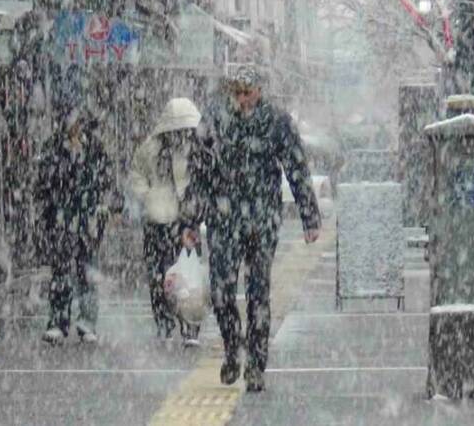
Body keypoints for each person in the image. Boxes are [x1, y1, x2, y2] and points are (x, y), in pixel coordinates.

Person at [199, 65, 321, 392]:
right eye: (236, 93)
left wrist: (309, 216)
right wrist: (187, 220)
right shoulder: (214, 120)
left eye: (247, 93)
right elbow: (199, 170)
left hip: (261, 219)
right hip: (223, 218)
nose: (242, 100)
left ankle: (256, 364)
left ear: (259, 91)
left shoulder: (277, 122)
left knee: (258, 293)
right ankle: (232, 348)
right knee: (221, 292)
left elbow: (296, 168)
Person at [36, 106, 115, 344]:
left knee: (87, 270)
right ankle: (59, 322)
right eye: (71, 122)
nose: (75, 127)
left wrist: (99, 202)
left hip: (87, 219)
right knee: (61, 271)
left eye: (79, 122)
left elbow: (105, 178)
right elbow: (43, 183)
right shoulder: (52, 147)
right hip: (62, 218)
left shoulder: (94, 147)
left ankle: (87, 322)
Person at [129, 97, 204, 346]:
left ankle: (190, 326)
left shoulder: (197, 150)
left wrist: (195, 205)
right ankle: (164, 322)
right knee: (159, 275)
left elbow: (204, 178)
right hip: (157, 220)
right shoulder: (150, 149)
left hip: (186, 221)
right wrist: (147, 196)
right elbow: (137, 174)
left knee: (190, 275)